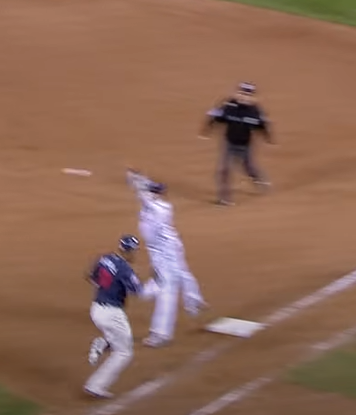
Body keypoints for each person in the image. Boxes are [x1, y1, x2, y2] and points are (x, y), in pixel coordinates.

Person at [125, 168, 207, 347]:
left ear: (156, 195)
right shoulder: (152, 207)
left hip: (167, 253)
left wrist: (137, 182)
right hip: (163, 252)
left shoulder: (160, 209)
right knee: (170, 280)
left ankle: (161, 334)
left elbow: (144, 197)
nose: (150, 194)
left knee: (167, 291)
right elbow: (144, 196)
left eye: (153, 192)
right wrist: (140, 181)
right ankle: (194, 299)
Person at [84, 234, 158, 399]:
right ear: (127, 251)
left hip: (96, 308)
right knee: (124, 352)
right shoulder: (125, 270)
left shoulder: (105, 258)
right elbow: (141, 293)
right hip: (112, 314)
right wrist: (156, 284)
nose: (135, 254)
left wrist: (107, 289)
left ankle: (102, 343)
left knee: (121, 339)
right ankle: (95, 386)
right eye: (134, 251)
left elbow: (90, 277)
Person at [200, 81, 274, 206]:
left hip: (245, 145)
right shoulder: (228, 106)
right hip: (229, 143)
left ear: (252, 97)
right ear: (237, 93)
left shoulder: (255, 111)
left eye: (247, 95)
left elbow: (263, 125)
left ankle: (259, 180)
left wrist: (268, 138)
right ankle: (225, 198)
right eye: (242, 93)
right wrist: (206, 130)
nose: (243, 97)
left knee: (249, 168)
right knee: (224, 169)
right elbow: (214, 116)